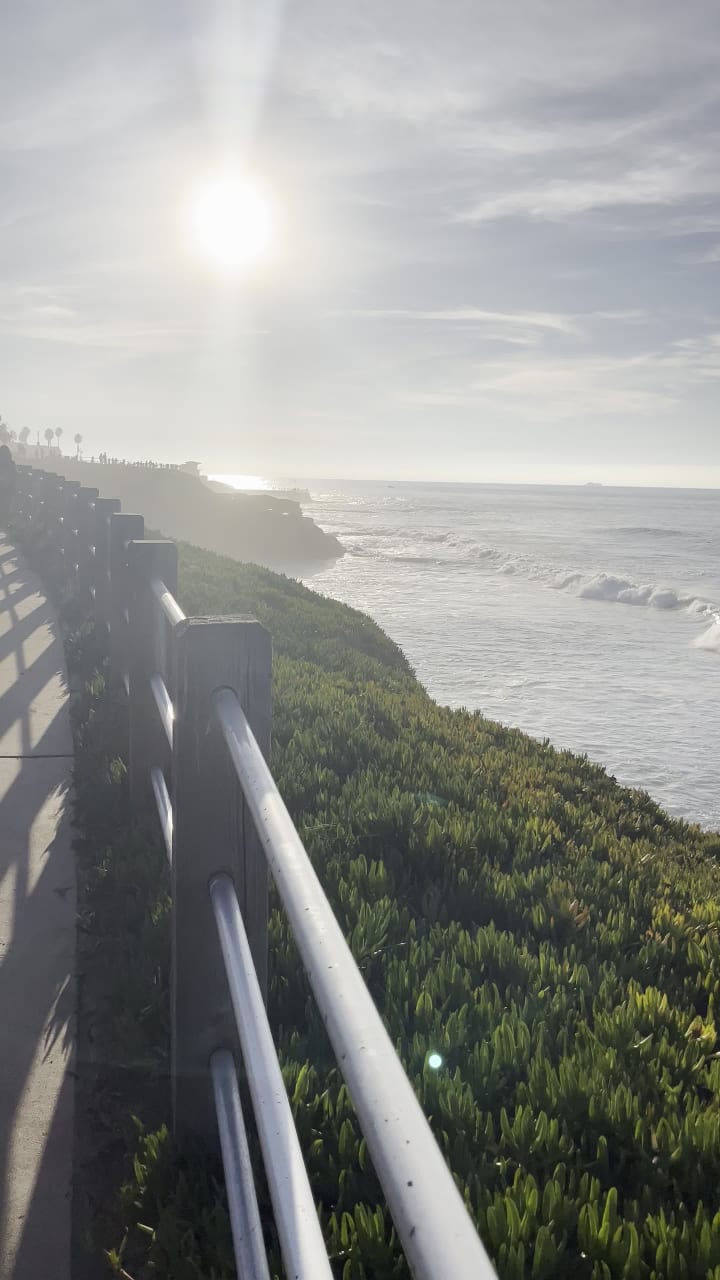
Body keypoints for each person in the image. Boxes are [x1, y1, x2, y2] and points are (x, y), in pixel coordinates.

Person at [0, 444, 17, 527]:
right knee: (6, 507)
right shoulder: (11, 464)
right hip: (8, 490)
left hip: (4, 489)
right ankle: (4, 523)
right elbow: (14, 477)